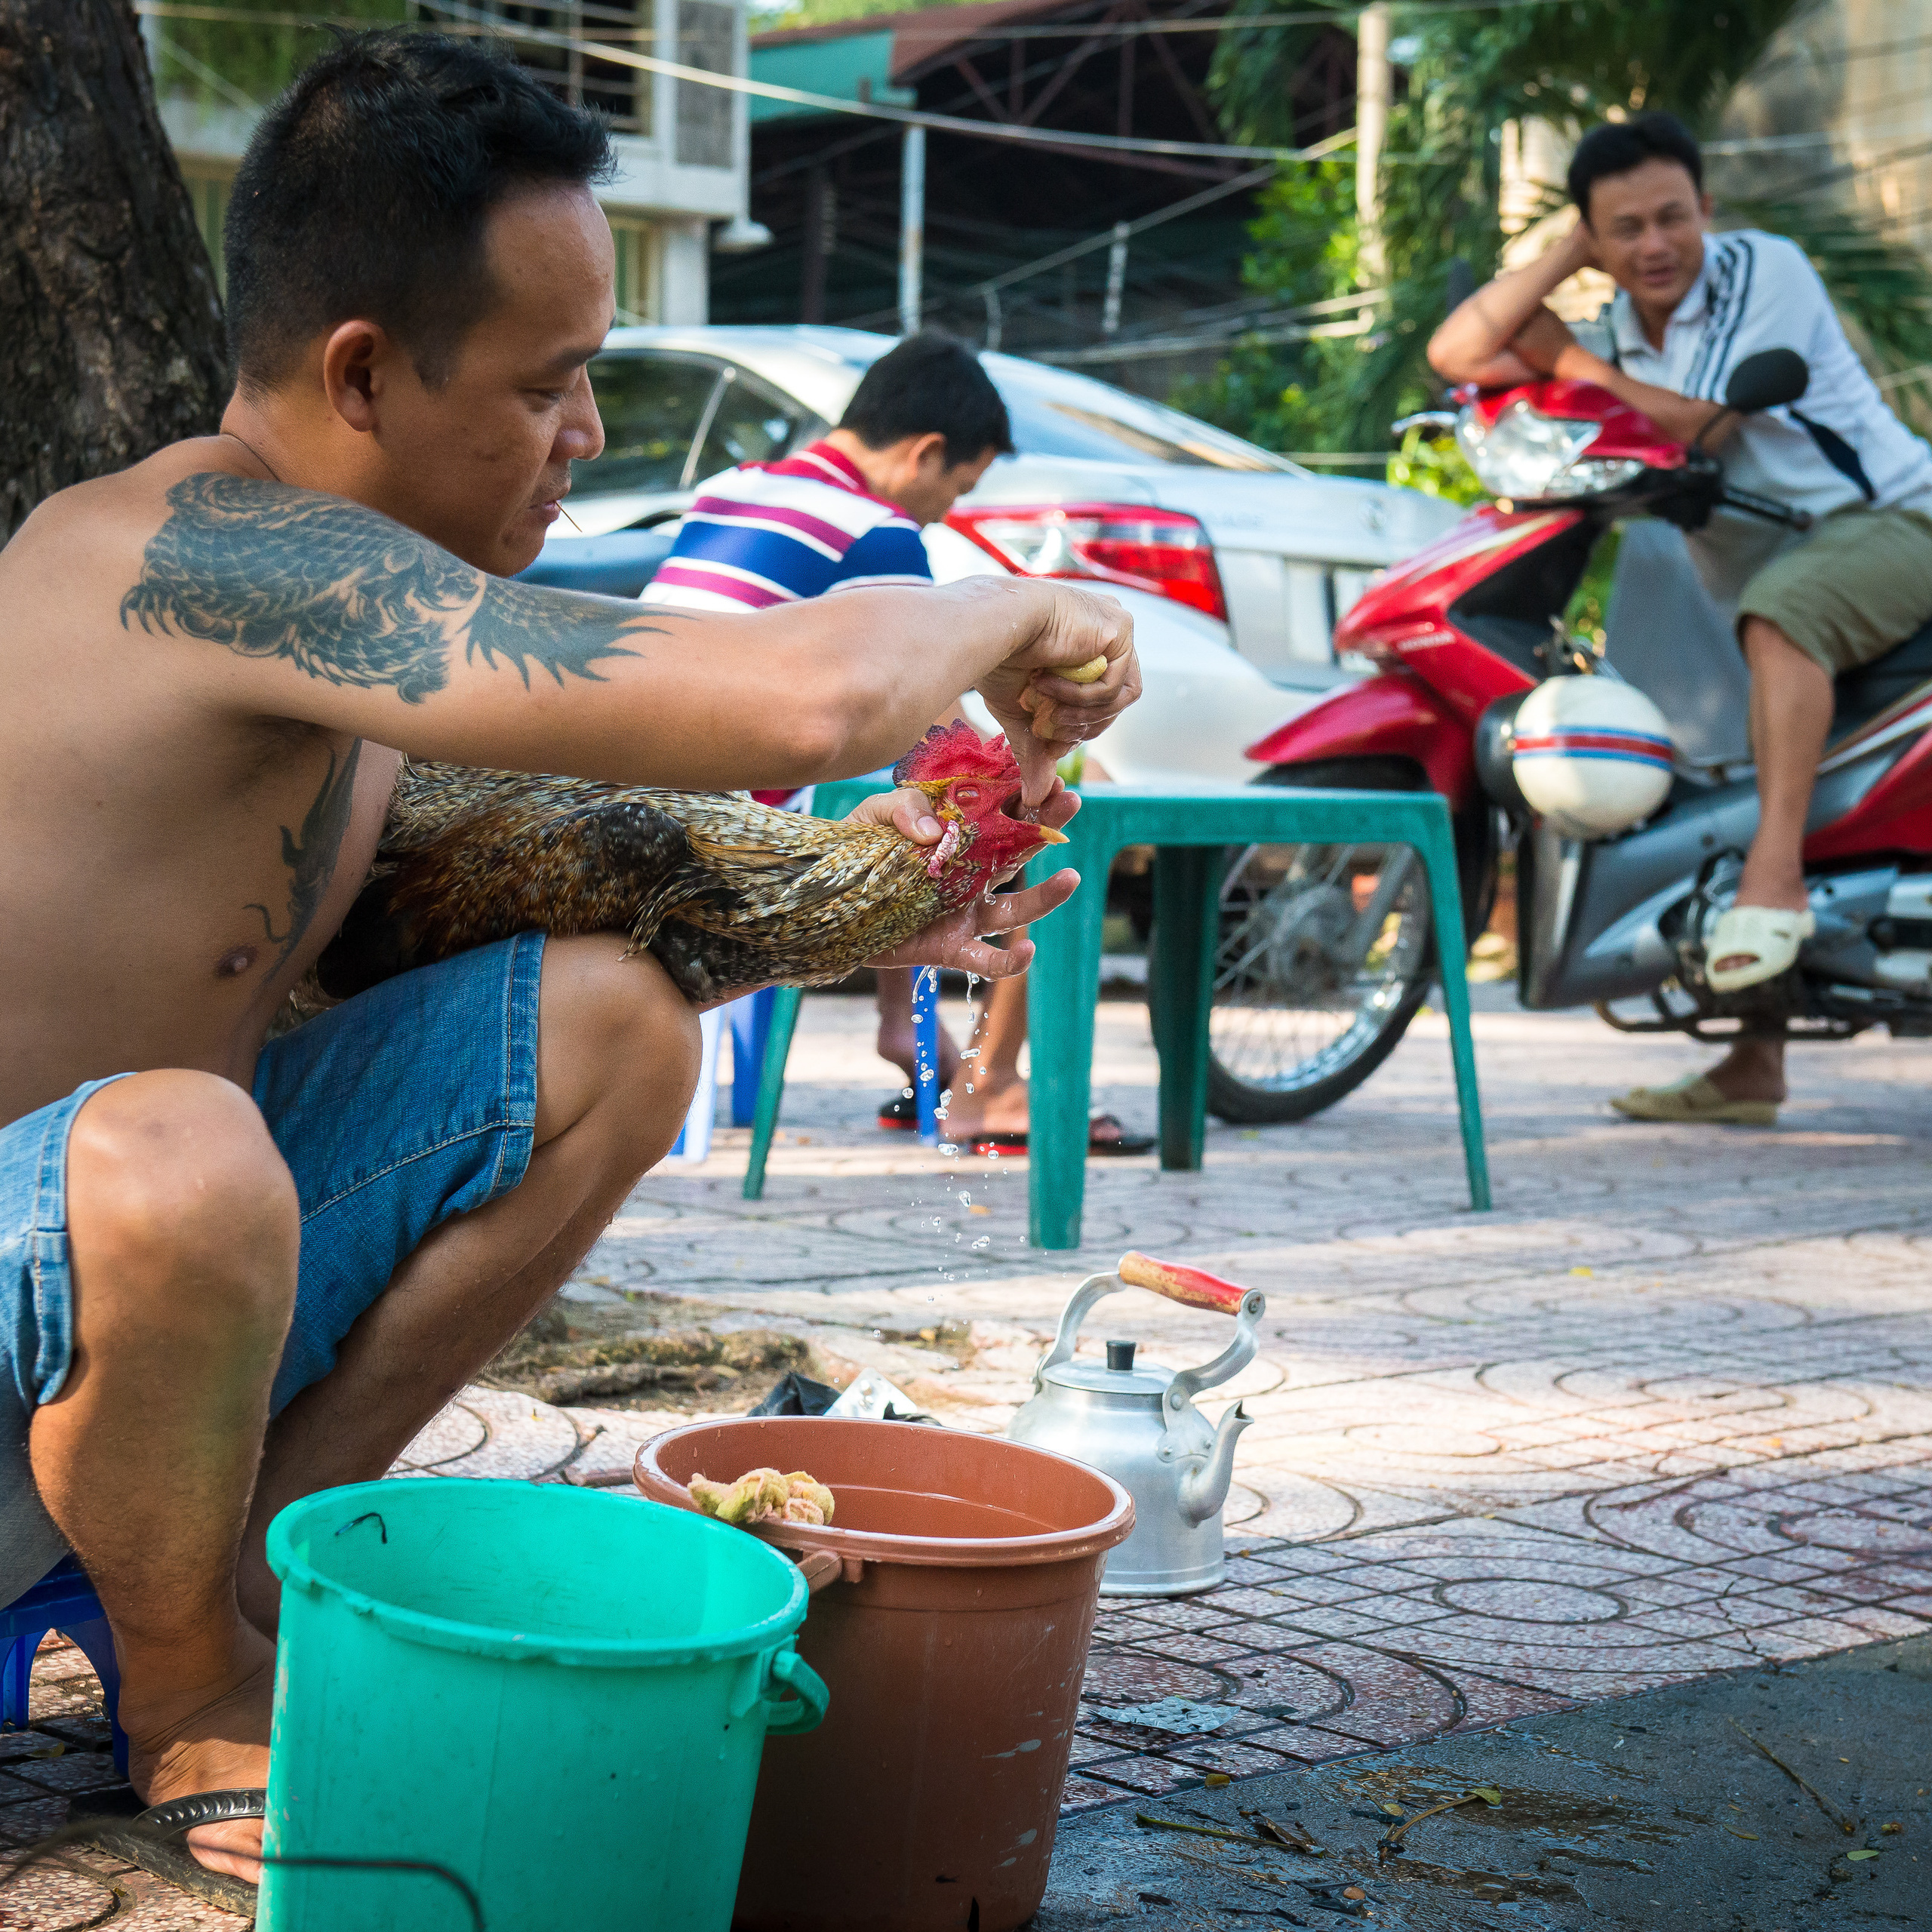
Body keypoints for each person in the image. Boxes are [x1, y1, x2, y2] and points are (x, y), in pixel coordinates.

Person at [0, 30, 1139, 1898]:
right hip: (48, 1271)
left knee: (610, 1027)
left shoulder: (345, 627)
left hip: (119, 1319)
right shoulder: (202, 553)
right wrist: (1021, 600)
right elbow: (797, 693)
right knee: (182, 1148)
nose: (588, 433)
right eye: (549, 383)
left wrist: (876, 896)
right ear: (361, 372)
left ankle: (256, 1569)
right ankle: (188, 1684)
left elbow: (535, 875)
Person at [1429, 112, 1932, 1126]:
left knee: (1781, 617)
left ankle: (1774, 885)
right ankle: (1753, 1062)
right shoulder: (1618, 323)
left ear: (1706, 207)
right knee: (1721, 777)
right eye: (1624, 229)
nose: (1654, 245)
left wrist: (1571, 364)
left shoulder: (1763, 270)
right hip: (1767, 577)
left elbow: (1699, 424)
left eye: (1671, 218)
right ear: (1594, 237)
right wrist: (1564, 258)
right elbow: (1458, 350)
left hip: (1891, 525)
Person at [651, 332, 1153, 1152]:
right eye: (958, 485)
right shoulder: (876, 531)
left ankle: (905, 1031)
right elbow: (940, 730)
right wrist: (1051, 752)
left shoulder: (734, 488)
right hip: (735, 822)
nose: (946, 509)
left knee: (929, 793)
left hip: (654, 782)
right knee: (1038, 816)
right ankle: (990, 1084)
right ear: (924, 452)